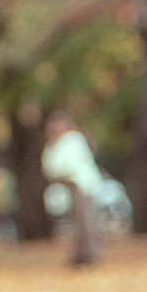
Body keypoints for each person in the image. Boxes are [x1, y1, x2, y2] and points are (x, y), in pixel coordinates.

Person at [41, 111, 104, 266]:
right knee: (75, 221)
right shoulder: (53, 143)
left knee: (86, 220)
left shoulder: (73, 140)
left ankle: (91, 253)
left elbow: (68, 164)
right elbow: (49, 166)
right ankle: (80, 252)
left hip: (81, 184)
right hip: (68, 186)